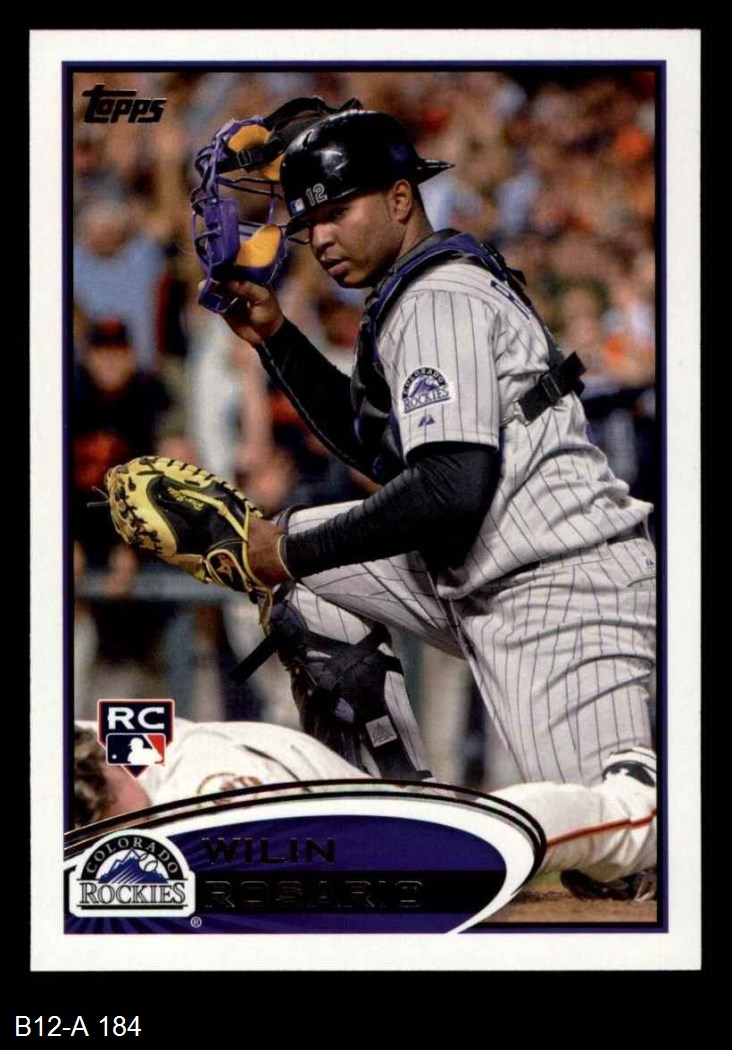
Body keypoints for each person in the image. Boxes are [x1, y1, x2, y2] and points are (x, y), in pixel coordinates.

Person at [181, 107, 658, 898]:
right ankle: (393, 823)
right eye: (309, 223)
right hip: (491, 572)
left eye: (338, 211)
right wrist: (275, 337)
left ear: (401, 198)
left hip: (564, 592)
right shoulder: (419, 291)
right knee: (304, 577)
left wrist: (287, 549)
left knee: (621, 862)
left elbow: (448, 491)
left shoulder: (438, 300)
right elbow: (384, 451)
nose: (320, 237)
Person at [73, 717, 656, 900]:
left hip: (332, 820)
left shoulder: (208, 791)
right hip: (271, 775)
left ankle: (641, 805)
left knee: (470, 848)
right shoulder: (84, 748)